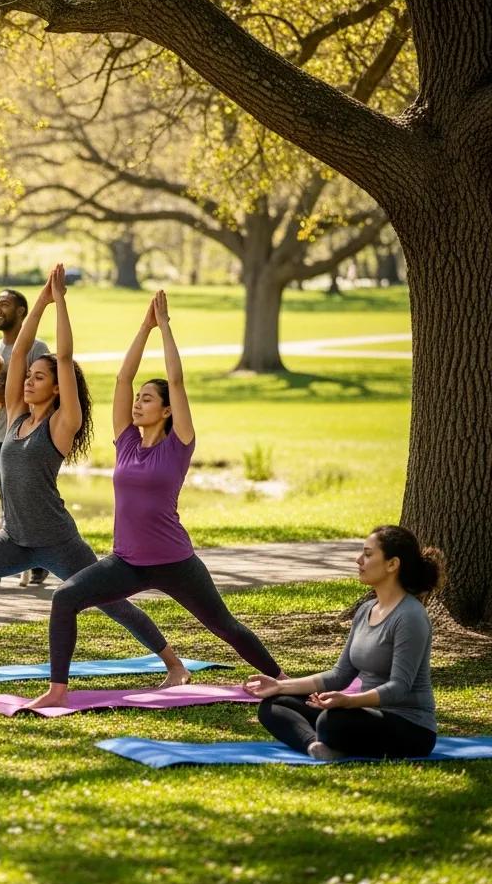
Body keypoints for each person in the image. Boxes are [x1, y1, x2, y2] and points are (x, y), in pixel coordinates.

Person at [26, 289, 282, 707]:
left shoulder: (179, 443)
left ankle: (281, 678)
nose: (138, 403)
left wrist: (165, 329)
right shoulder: (126, 442)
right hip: (127, 562)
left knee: (225, 626)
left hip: (175, 562)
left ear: (166, 411)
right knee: (65, 597)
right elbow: (122, 380)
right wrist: (142, 328)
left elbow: (176, 381)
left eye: (148, 399)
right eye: (139, 399)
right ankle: (57, 690)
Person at [0, 264, 166, 679]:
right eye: (27, 375)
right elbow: (20, 350)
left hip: (57, 542)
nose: (28, 381)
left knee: (113, 602)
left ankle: (171, 662)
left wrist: (60, 301)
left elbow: (63, 357)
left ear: (56, 387)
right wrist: (41, 302)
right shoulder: (14, 414)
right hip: (13, 539)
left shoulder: (62, 424)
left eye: (39, 377)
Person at [246, 526, 441, 760]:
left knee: (332, 721)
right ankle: (316, 748)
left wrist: (349, 702)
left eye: (368, 555)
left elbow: (399, 687)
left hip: (410, 727)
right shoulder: (366, 610)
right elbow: (340, 675)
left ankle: (329, 738)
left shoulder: (410, 616)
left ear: (392, 564)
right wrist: (280, 686)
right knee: (275, 705)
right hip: (364, 715)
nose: (359, 560)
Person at [0, 288, 50, 587]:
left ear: (21, 312)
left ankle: (41, 558)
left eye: (3, 305)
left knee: (30, 501)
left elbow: (46, 390)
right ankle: (4, 565)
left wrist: (7, 395)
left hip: (29, 436)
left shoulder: (37, 347)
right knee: (6, 501)